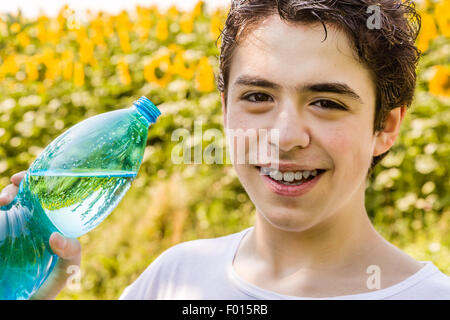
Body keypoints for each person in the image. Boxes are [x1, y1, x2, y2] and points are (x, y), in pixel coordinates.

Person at [1, 0, 450, 300]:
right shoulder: (173, 280)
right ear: (224, 108)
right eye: (257, 97)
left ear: (386, 125)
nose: (283, 135)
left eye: (327, 102)